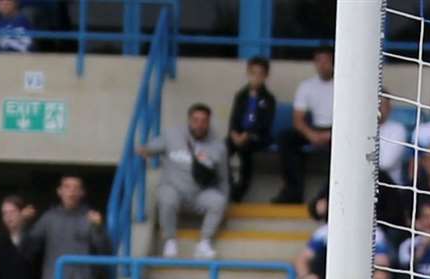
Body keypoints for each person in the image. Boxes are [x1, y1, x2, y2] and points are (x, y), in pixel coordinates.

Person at [141, 103, 228, 259]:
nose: (199, 125)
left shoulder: (218, 146)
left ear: (209, 122)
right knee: (166, 196)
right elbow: (149, 149)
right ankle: (170, 240)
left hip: (199, 194)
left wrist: (226, 199)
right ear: (189, 120)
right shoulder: (171, 135)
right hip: (174, 189)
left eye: (204, 121)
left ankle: (204, 243)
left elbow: (223, 177)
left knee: (219, 201)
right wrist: (143, 150)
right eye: (195, 120)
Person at [27, 175, 111, 279]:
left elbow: (105, 251)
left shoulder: (90, 217)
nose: (71, 192)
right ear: (59, 191)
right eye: (67, 187)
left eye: (76, 188)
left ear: (82, 193)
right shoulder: (49, 217)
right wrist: (24, 223)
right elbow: (29, 246)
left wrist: (98, 228)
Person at [274, 48, 334, 204]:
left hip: (337, 131)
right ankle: (293, 192)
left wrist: (330, 135)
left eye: (326, 61)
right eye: (318, 61)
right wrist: (311, 135)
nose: (322, 65)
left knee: (342, 149)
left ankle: (327, 198)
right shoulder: (307, 86)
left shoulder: (344, 85)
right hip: (314, 129)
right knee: (285, 139)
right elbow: (298, 119)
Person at [226, 56, 276, 203]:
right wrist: (234, 133)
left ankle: (240, 191)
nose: (256, 77)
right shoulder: (241, 95)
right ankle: (229, 186)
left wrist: (248, 135)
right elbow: (234, 118)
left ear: (266, 76)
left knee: (245, 151)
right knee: (223, 148)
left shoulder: (269, 99)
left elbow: (265, 123)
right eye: (253, 73)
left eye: (260, 74)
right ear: (248, 73)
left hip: (258, 138)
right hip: (239, 135)